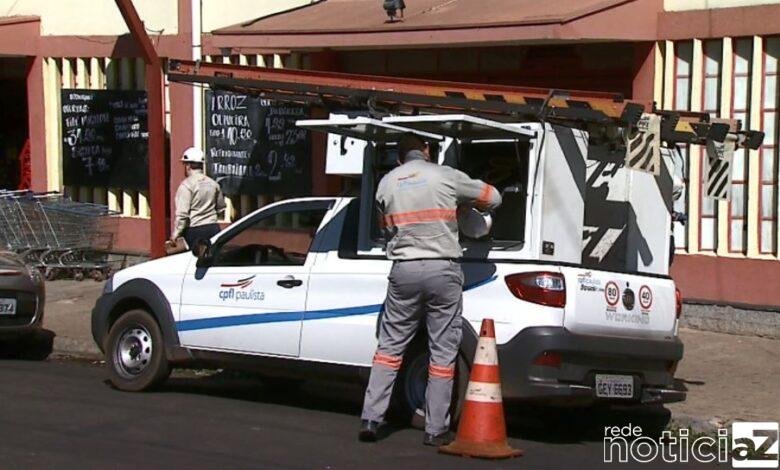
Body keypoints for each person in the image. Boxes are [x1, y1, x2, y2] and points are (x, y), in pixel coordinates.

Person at [359, 133, 502, 446]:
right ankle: (435, 429)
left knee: (389, 347)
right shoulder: (445, 176)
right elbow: (494, 198)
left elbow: (386, 229)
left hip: (404, 270)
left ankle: (371, 418)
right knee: (442, 351)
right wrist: (462, 205)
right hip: (442, 269)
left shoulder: (386, 183)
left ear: (399, 158)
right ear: (426, 151)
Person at [171, 147, 226, 249]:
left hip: (194, 231)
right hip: (213, 228)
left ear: (188, 165)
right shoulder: (213, 184)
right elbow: (221, 208)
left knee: (195, 262)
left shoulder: (186, 186)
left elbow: (182, 214)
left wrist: (176, 234)